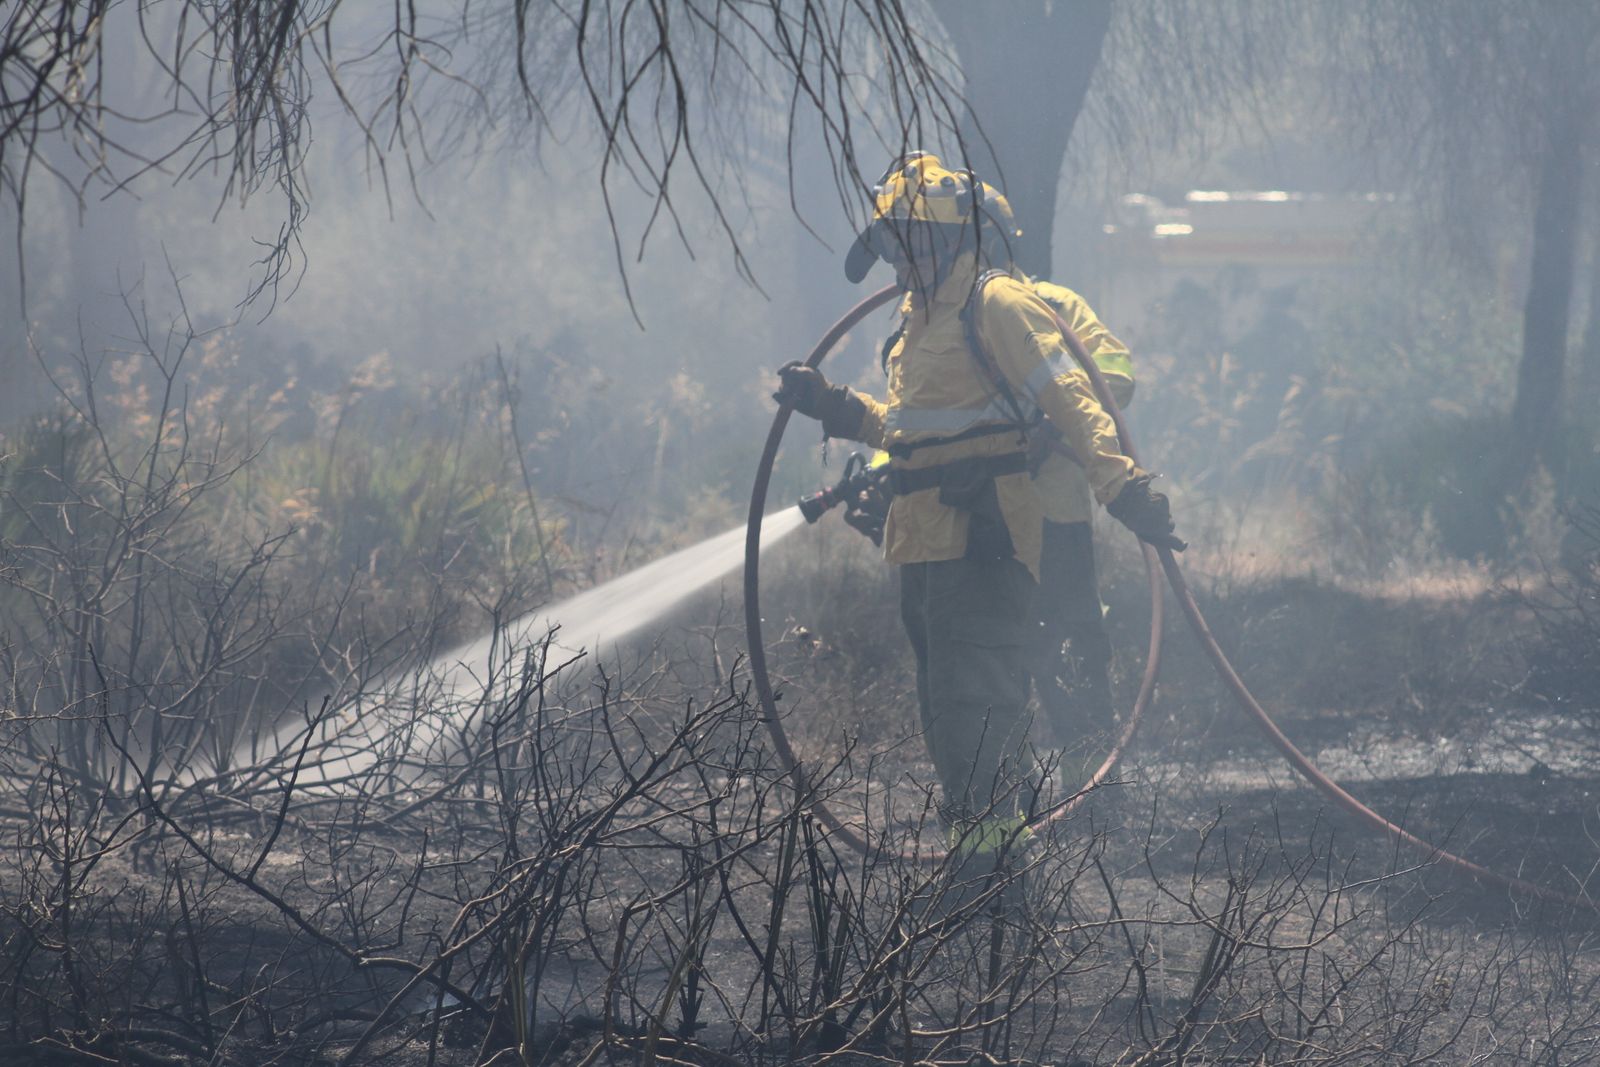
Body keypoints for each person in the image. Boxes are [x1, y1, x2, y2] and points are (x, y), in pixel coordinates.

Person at [774, 152, 1182, 872]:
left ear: (957, 239)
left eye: (913, 243)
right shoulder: (916, 324)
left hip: (990, 533)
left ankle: (1002, 867)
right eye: (893, 245)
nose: (901, 262)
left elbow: (1081, 396)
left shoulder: (1002, 304)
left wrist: (1123, 488)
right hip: (924, 541)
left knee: (1006, 689)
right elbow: (912, 432)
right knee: (950, 706)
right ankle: (986, 850)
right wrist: (835, 407)